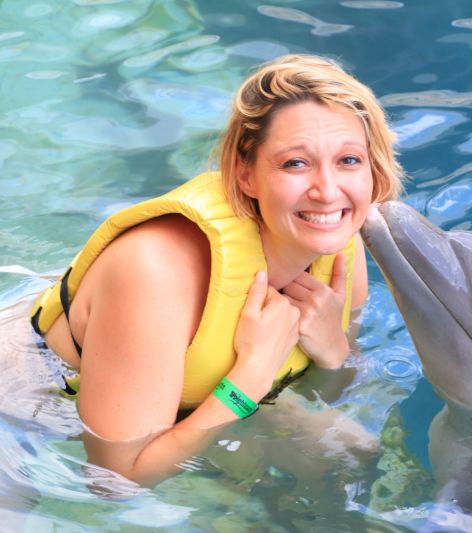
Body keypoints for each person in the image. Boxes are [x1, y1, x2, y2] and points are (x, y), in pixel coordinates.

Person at [29, 54, 403, 486]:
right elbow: (113, 481)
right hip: (25, 404)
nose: (327, 191)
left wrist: (335, 354)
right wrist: (248, 380)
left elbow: (327, 394)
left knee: (352, 456)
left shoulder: (338, 241)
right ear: (245, 174)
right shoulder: (155, 271)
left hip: (197, 404)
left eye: (349, 161)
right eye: (295, 163)